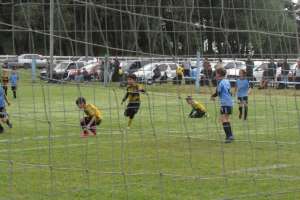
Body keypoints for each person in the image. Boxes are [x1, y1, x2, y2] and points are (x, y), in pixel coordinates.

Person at [211, 67, 234, 143]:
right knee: (226, 119)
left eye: (216, 73)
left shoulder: (221, 83)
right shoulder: (227, 81)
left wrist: (212, 96)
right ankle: (231, 135)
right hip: (229, 102)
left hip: (225, 103)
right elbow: (229, 92)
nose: (216, 75)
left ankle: (228, 136)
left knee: (223, 119)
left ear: (219, 74)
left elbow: (218, 92)